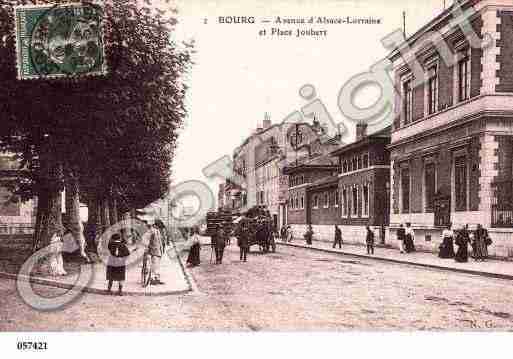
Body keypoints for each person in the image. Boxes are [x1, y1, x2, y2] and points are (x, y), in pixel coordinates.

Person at [146, 220, 165, 285]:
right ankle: (152, 279)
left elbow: (160, 241)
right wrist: (148, 248)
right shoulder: (152, 230)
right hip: (153, 251)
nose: (160, 228)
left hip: (158, 251)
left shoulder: (157, 231)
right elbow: (147, 240)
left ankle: (157, 278)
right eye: (160, 227)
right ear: (156, 225)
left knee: (157, 266)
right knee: (154, 266)